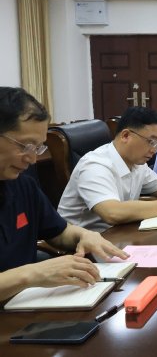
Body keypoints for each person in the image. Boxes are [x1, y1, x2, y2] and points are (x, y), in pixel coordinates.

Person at [0, 87, 128, 302]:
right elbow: (31, 273)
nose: (32, 159)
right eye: (26, 146)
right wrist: (31, 274)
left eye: (38, 148)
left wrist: (84, 235)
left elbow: (59, 232)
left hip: (27, 305)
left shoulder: (23, 185)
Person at [58, 107, 157, 232]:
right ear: (125, 135)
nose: (154, 150)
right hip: (82, 245)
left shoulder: (137, 161)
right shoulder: (95, 165)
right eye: (151, 141)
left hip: (120, 233)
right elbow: (112, 212)